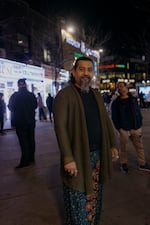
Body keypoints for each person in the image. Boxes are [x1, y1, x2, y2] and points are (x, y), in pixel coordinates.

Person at [53, 56, 119, 225]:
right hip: (77, 156)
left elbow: (106, 121)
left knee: (94, 196)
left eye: (89, 70)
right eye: (81, 69)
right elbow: (60, 128)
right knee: (78, 197)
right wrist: (68, 159)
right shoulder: (64, 95)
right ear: (74, 72)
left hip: (97, 156)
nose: (86, 74)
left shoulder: (96, 95)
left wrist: (112, 144)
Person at [111, 81, 150, 173]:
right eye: (119, 87)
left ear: (126, 88)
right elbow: (114, 117)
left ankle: (142, 163)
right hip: (123, 129)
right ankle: (123, 164)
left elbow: (138, 112)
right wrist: (119, 129)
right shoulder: (116, 103)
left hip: (135, 127)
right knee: (123, 148)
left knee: (139, 147)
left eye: (122, 86)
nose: (121, 88)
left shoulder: (133, 99)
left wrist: (139, 123)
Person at [8, 79, 37, 169]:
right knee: (31, 139)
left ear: (18, 85)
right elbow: (35, 106)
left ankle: (25, 161)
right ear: (25, 85)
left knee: (23, 141)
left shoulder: (14, 96)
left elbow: (10, 107)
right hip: (31, 121)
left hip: (20, 122)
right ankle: (31, 158)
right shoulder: (31, 95)